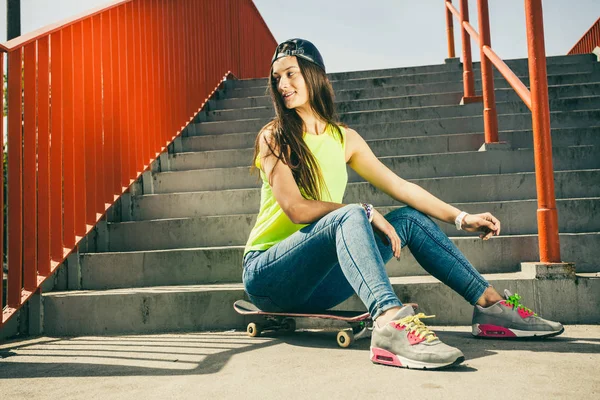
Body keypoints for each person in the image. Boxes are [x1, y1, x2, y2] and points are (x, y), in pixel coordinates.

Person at [242, 38, 563, 370]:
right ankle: (390, 323)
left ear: (314, 75)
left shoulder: (343, 139)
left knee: (409, 219)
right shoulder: (274, 136)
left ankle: (490, 306)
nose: (282, 85)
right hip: (269, 275)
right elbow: (295, 209)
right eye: (276, 78)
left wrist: (461, 217)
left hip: (318, 286)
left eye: (290, 74)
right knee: (351, 212)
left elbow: (401, 187)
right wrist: (365, 211)